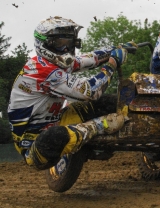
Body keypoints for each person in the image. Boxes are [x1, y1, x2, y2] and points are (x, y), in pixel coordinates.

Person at [7, 16, 129, 170]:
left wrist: (116, 49)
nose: (66, 49)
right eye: (60, 44)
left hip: (59, 120)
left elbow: (89, 59)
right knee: (55, 136)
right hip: (34, 144)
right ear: (44, 43)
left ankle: (100, 134)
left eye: (69, 43)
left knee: (111, 102)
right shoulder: (40, 69)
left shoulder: (55, 62)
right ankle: (99, 126)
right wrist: (111, 65)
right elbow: (91, 91)